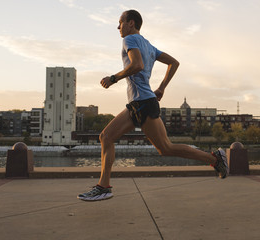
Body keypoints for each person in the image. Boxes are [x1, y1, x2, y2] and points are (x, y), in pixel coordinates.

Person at [78, 9, 229, 201]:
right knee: (107, 137)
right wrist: (162, 88)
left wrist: (113, 78)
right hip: (140, 102)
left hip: (143, 102)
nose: (118, 27)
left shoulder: (130, 40)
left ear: (131, 23)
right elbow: (174, 62)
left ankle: (215, 159)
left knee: (165, 148)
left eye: (120, 22)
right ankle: (104, 186)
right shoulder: (149, 46)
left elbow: (137, 65)